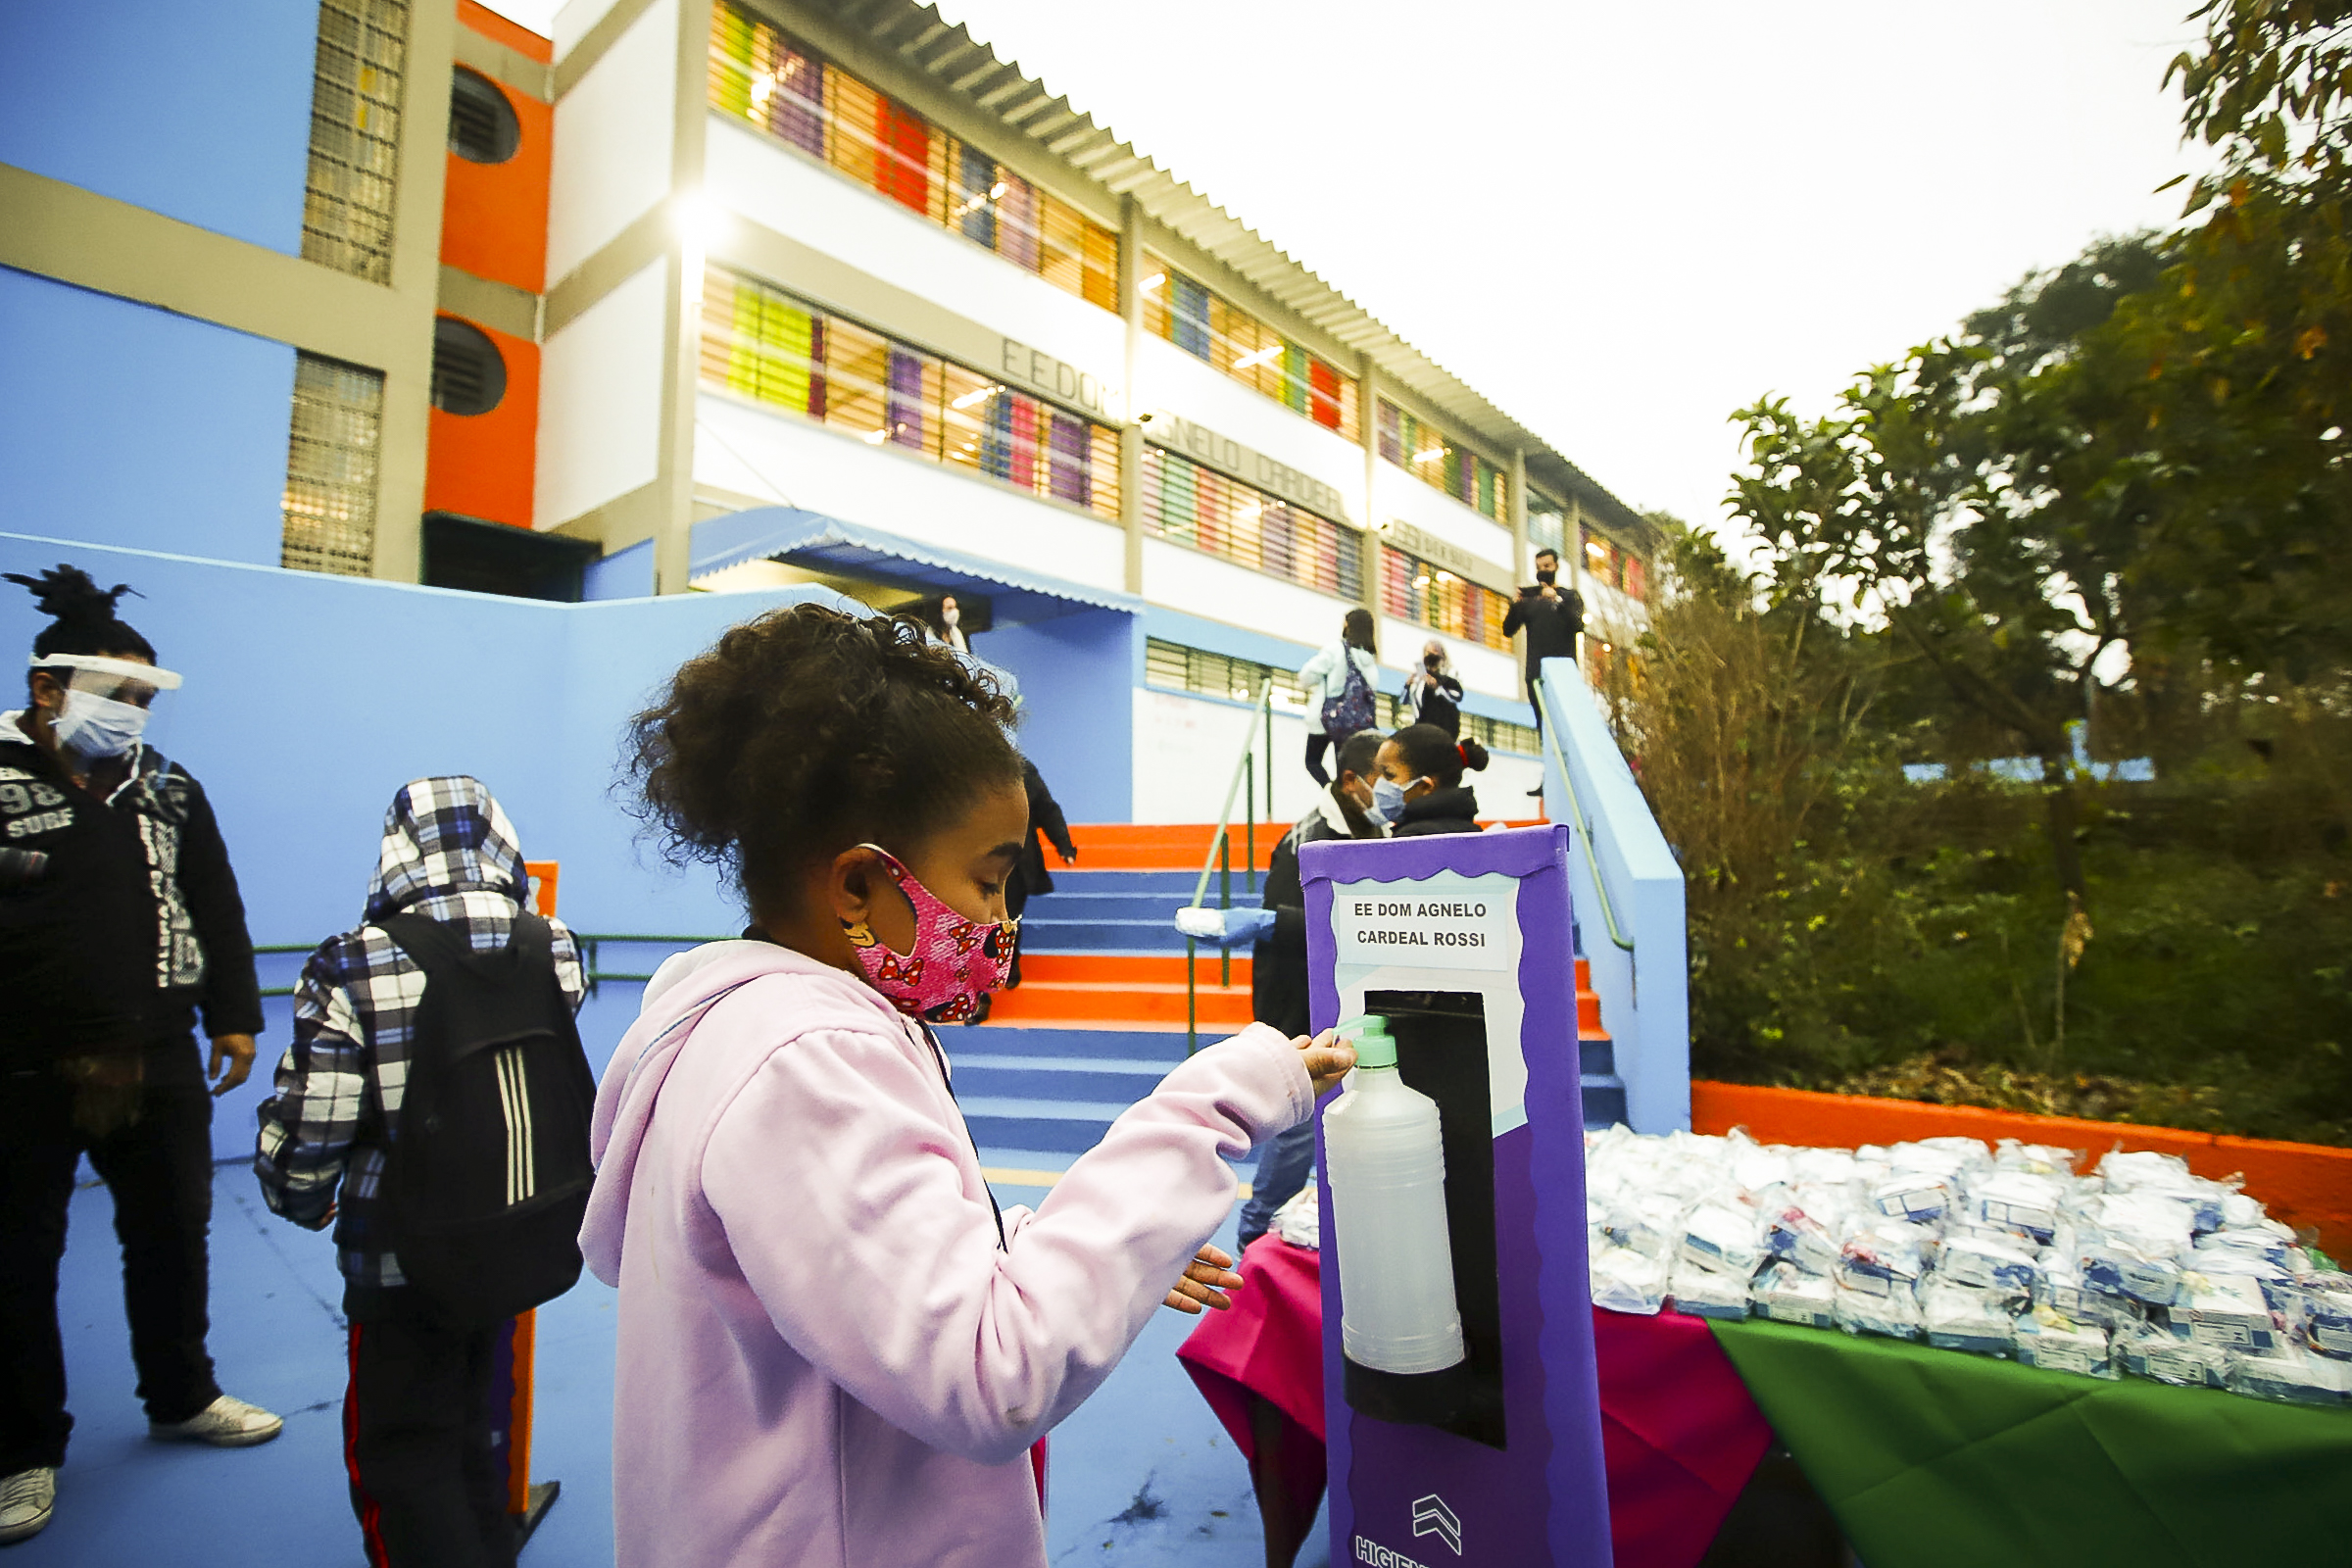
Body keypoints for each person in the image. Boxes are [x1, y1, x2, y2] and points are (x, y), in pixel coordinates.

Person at [581, 605, 1354, 1567]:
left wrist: (1075, 1254)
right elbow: (992, 1371)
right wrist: (1222, 1094)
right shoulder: (806, 1063)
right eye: (990, 882)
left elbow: (863, 1279)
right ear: (859, 887)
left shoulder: (752, 1031)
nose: (1001, 919)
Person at [0, 565, 279, 1548]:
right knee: (16, 1259)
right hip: (21, 1069)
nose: (132, 718)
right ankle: (22, 1449)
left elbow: (217, 902)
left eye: (143, 701)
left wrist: (234, 1016)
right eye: (117, 697)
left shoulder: (168, 789)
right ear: (47, 689)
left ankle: (181, 1393)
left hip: (158, 1058)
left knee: (172, 1232)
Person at [254, 776, 588, 1568]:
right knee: (478, 1424)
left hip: (402, 1255)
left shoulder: (354, 962)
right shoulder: (554, 944)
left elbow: (316, 1120)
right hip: (519, 1230)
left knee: (401, 1453)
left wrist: (298, 1196)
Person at [1235, 728, 1388, 1254]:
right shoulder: (1305, 839)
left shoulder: (1373, 828)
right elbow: (1286, 928)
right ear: (1351, 779)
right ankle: (1254, 1235)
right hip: (1299, 1003)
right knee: (1298, 1128)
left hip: (1350, 998)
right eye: (1382, 776)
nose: (1388, 786)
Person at [1002, 755, 1075, 993]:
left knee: (1008, 916)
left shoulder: (1021, 768)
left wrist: (1064, 845)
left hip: (1015, 861)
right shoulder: (960, 770)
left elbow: (1046, 808)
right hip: (971, 859)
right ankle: (985, 983)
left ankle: (1007, 967)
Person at [1501, 547, 1584, 733]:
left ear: (1556, 566)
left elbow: (1578, 625)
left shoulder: (1569, 597)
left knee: (1566, 724)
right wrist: (1515, 605)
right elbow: (1508, 630)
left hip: (1563, 671)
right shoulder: (1530, 600)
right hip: (1536, 673)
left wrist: (1558, 601)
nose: (1543, 571)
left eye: (1547, 566)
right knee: (1545, 727)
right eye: (1539, 567)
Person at [1296, 608, 1379, 786]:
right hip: (1355, 724)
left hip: (1328, 719)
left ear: (1349, 626)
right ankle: (1345, 800)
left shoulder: (1337, 649)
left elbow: (1307, 674)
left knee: (1312, 762)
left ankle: (1332, 795)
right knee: (1344, 769)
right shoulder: (1370, 660)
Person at [1369, 723, 1491, 837]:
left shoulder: (1412, 838)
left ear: (1425, 786)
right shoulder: (1471, 832)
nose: (1378, 783)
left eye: (1389, 774)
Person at [1402, 639, 1464, 738]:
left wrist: (1438, 688)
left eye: (1435, 653)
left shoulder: (1450, 679)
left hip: (1444, 732)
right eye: (1428, 653)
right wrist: (1408, 685)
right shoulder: (1419, 680)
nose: (1431, 657)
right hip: (1422, 732)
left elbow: (1457, 697)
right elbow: (1404, 701)